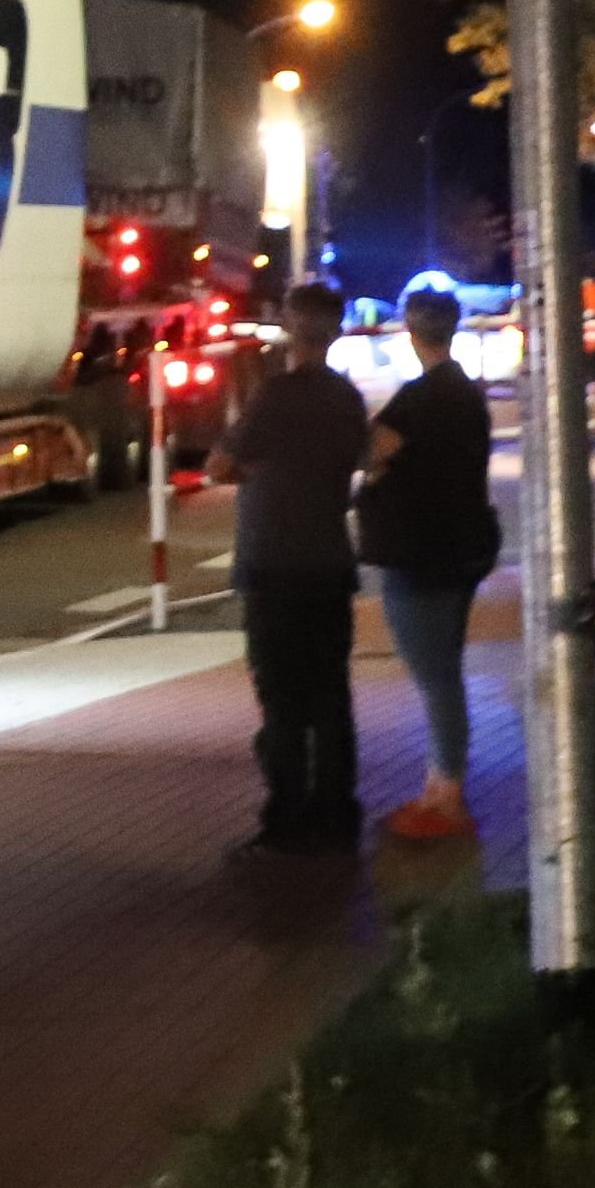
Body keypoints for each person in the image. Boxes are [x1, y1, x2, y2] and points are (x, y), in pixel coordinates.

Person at [209, 281, 370, 857]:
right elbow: (364, 458)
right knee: (330, 694)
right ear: (336, 332)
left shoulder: (273, 396)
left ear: (289, 330)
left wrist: (254, 472)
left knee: (281, 699)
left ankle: (286, 819)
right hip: (329, 563)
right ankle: (337, 813)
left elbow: (220, 465)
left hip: (272, 565)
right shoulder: (346, 399)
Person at [357, 286, 500, 841]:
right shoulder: (467, 394)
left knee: (435, 676)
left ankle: (446, 795)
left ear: (409, 331)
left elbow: (372, 451)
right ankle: (441, 788)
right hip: (462, 546)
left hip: (419, 552)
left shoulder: (417, 400)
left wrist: (370, 467)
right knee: (445, 668)